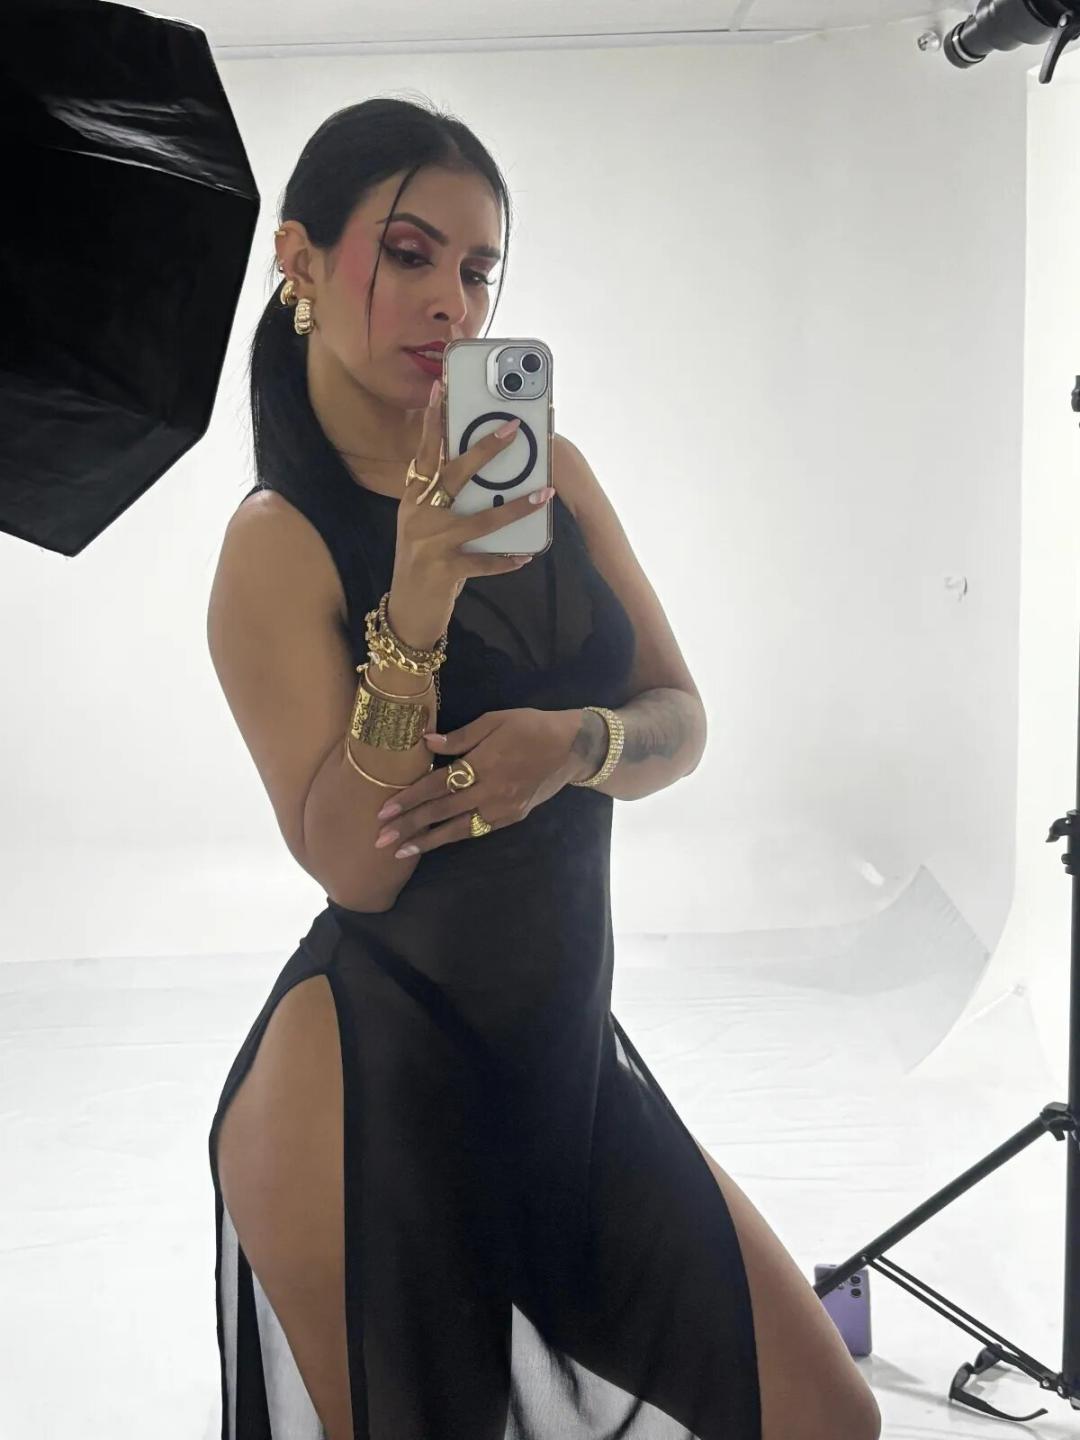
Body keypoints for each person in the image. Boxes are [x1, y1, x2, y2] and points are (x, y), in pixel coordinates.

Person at [205, 96, 881, 1440]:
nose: (450, 302)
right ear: (300, 260)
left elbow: (679, 720)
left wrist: (575, 746)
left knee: (828, 1417)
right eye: (409, 253)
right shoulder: (275, 541)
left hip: (565, 1064)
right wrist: (416, 605)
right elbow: (351, 865)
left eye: (478, 270)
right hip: (367, 1082)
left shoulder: (548, 474)